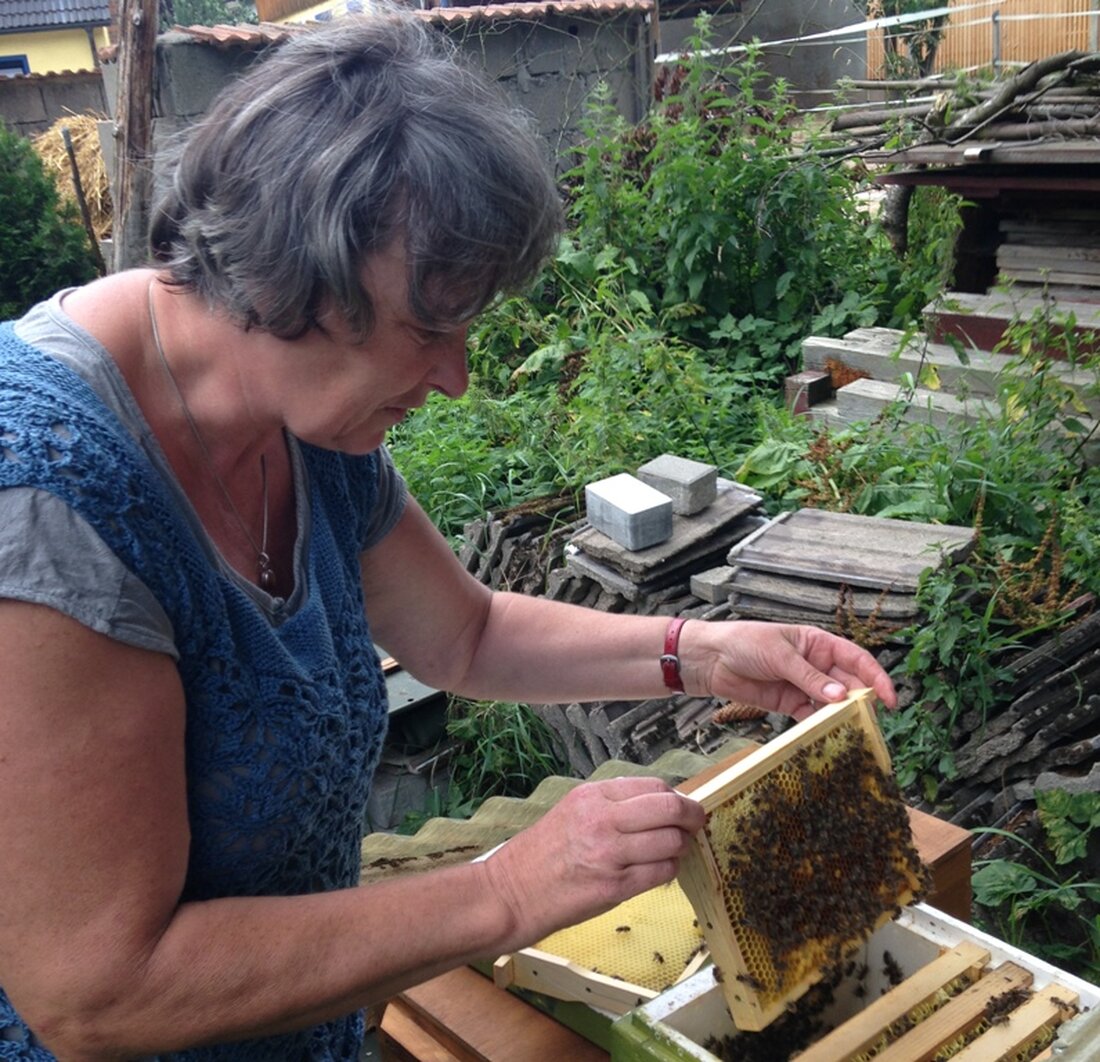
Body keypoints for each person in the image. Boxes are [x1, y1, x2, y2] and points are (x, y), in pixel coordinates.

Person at [0, 12, 896, 1060]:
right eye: (429, 329)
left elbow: (462, 636)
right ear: (295, 281)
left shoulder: (302, 414)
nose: (456, 378)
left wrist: (703, 653)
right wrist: (505, 889)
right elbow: (96, 992)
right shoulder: (45, 502)